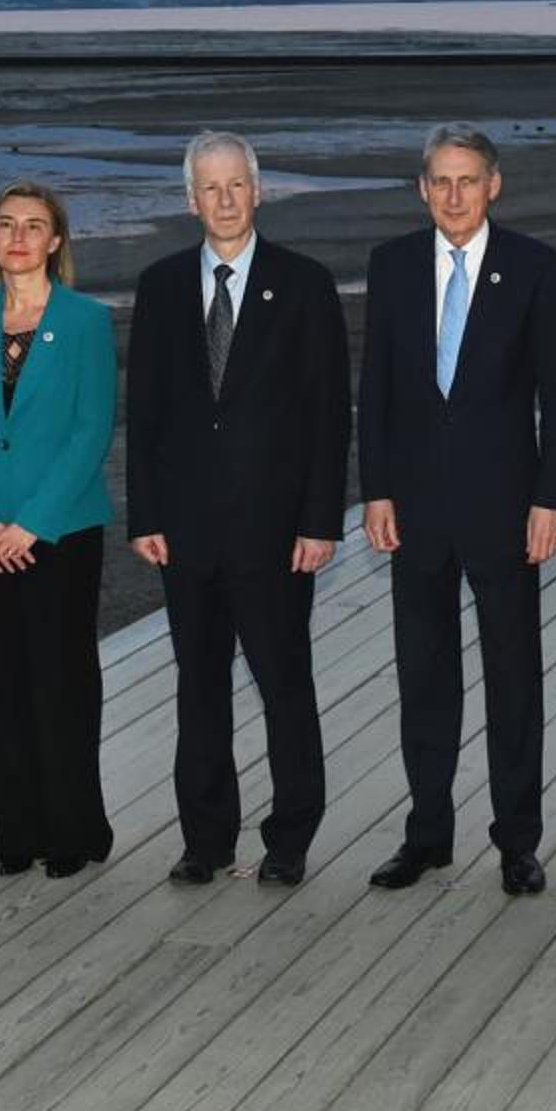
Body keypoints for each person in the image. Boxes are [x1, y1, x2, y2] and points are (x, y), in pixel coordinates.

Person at [126, 131, 351, 888]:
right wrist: (144, 515)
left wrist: (320, 521)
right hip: (186, 531)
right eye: (210, 188)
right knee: (199, 688)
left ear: (258, 192)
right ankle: (206, 839)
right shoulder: (160, 286)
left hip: (277, 531)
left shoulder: (304, 283)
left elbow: (329, 414)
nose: (224, 200)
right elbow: (145, 411)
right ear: (190, 199)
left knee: (285, 686)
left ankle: (289, 840)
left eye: (236, 186)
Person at [358, 123, 556, 895]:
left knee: (514, 676)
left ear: (494, 185)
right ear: (423, 189)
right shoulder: (391, 265)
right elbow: (375, 389)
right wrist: (376, 489)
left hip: (507, 507)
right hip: (414, 505)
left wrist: (551, 499)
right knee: (424, 675)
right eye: (441, 182)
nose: (454, 195)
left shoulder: (535, 268)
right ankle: (427, 835)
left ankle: (518, 841)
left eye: (468, 180)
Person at [0, 180, 116, 879]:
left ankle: (72, 830)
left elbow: (91, 429)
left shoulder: (86, 322)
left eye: (33, 225)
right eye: (6, 224)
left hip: (60, 533)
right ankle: (15, 835)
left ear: (55, 240)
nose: (18, 237)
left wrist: (32, 524)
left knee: (61, 682)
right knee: (1, 682)